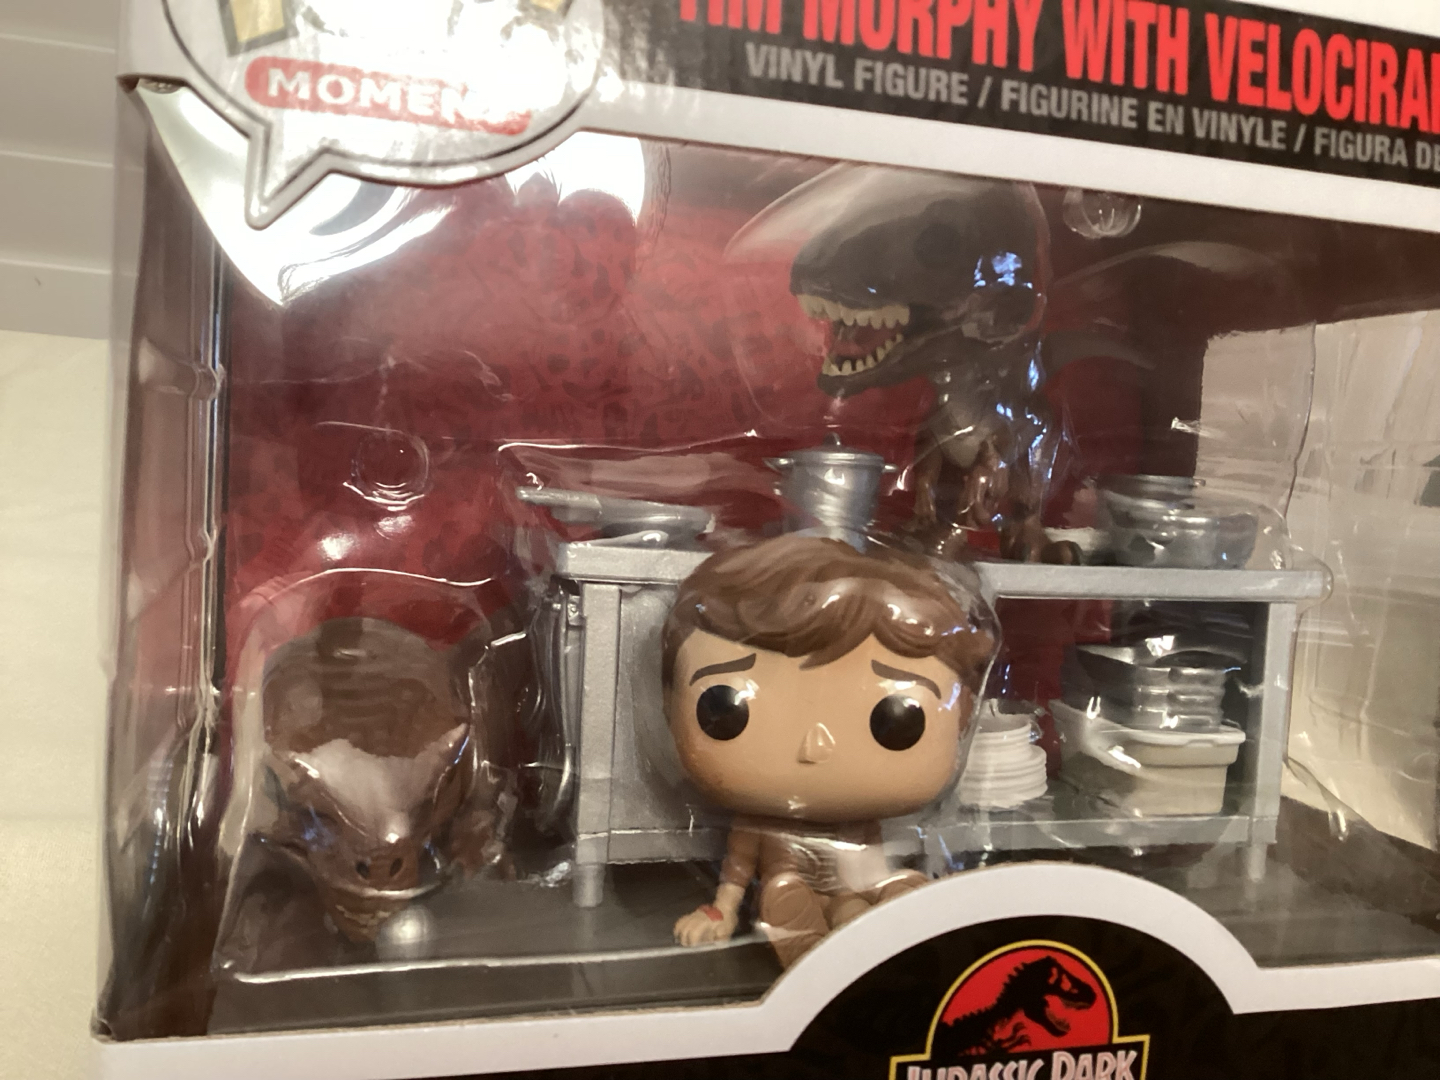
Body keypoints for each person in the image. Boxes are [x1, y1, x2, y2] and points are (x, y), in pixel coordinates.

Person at [662, 534, 996, 967]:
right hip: (789, 890)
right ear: (671, 703)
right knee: (786, 894)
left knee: (862, 900)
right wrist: (721, 911)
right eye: (724, 708)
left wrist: (879, 887)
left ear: (963, 716)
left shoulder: (860, 821)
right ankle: (822, 947)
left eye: (897, 721)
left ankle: (876, 925)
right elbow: (736, 874)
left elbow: (869, 866)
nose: (815, 746)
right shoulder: (759, 824)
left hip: (853, 887)